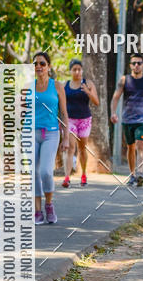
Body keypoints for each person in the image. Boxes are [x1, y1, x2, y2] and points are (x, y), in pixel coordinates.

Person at [110, 54, 143, 186]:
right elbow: (115, 97)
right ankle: (132, 174)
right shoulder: (124, 80)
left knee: (140, 145)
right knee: (130, 148)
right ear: (130, 66)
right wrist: (113, 113)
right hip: (128, 119)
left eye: (139, 63)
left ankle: (140, 173)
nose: (136, 65)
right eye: (134, 63)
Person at [33, 51, 69, 224]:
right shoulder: (28, 86)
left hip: (51, 133)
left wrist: (66, 138)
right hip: (30, 132)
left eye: (42, 63)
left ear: (49, 66)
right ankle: (37, 210)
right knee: (33, 173)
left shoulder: (57, 86)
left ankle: (49, 204)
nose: (38, 66)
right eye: (35, 64)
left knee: (46, 171)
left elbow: (63, 113)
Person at [62, 59, 99, 188]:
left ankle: (83, 173)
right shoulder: (65, 85)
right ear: (70, 71)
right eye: (74, 69)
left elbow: (96, 102)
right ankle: (67, 177)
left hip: (84, 120)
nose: (77, 72)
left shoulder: (88, 83)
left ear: (82, 70)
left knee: (82, 148)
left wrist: (88, 92)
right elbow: (61, 103)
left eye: (79, 69)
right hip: (70, 120)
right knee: (71, 147)